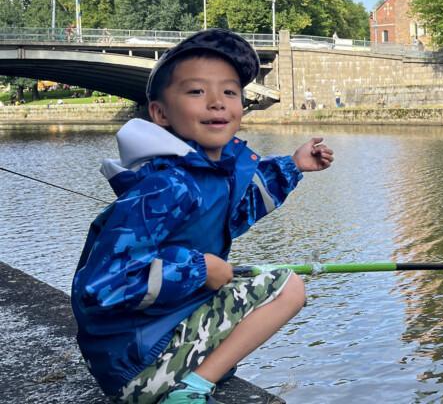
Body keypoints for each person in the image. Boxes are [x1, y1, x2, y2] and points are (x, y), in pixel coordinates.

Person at [71, 28, 335, 404]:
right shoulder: (165, 187)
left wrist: (293, 166)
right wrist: (199, 268)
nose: (217, 102)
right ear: (160, 113)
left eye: (230, 92)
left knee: (248, 278)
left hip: (143, 351)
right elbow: (100, 286)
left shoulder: (205, 176)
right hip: (133, 367)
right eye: (197, 92)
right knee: (288, 287)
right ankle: (190, 390)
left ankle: (189, 371)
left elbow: (234, 212)